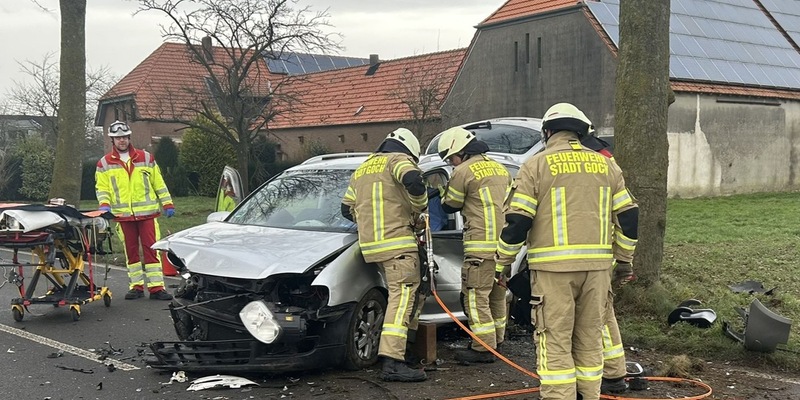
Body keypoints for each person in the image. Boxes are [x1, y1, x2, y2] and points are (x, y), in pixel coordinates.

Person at [494, 103, 639, 400]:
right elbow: (629, 217)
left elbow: (518, 222)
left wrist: (503, 264)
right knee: (590, 339)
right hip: (597, 272)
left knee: (555, 340)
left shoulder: (536, 165)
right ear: (581, 132)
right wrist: (623, 262)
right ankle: (589, 395)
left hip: (552, 273)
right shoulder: (606, 165)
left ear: (547, 132)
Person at [341, 128, 429, 382]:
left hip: (372, 247)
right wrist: (418, 207)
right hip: (398, 244)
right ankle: (392, 362)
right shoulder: (398, 160)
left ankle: (403, 351)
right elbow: (413, 180)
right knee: (401, 301)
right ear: (409, 150)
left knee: (403, 297)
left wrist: (369, 223)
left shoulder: (363, 168)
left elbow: (346, 209)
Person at [436, 126, 512, 364]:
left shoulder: (463, 171)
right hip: (504, 247)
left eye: (450, 158)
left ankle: (483, 347)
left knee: (475, 297)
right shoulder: (500, 169)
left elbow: (451, 204)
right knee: (496, 296)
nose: (451, 164)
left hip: (480, 247)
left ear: (459, 151)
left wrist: (440, 192)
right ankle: (497, 341)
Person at [577, 115, 635, 395]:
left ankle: (605, 375)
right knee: (603, 314)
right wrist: (623, 258)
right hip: (602, 252)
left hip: (585, 253)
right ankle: (614, 372)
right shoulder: (604, 158)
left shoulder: (581, 158)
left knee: (594, 318)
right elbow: (626, 213)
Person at [95, 120, 175, 301]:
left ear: (129, 138)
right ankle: (136, 286)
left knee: (151, 249)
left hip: (147, 215)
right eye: (117, 138)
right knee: (130, 251)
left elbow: (159, 183)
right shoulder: (104, 164)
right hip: (123, 216)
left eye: (124, 137)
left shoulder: (146, 158)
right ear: (112, 140)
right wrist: (104, 206)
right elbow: (102, 189)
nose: (121, 141)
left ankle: (156, 288)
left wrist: (167, 203)